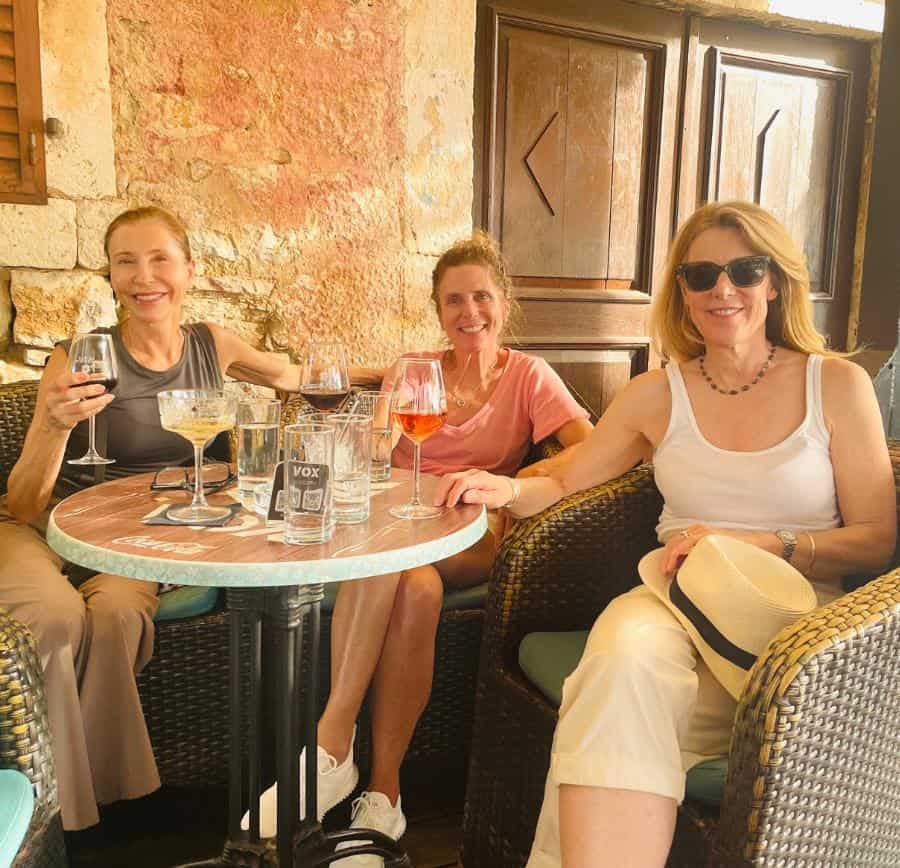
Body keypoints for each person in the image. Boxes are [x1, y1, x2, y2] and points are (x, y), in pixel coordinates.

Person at [435, 201, 896, 868]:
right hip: (672, 600)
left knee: (612, 718)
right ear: (681, 290)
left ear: (775, 280)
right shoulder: (657, 393)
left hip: (795, 625)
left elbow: (878, 539)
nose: (723, 289)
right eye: (701, 274)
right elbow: (566, 481)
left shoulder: (837, 386)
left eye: (744, 269)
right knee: (618, 663)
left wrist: (767, 546)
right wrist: (507, 489)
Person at [0, 205, 379, 834]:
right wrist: (53, 424)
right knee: (55, 616)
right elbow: (22, 503)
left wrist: (385, 374)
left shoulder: (212, 344)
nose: (144, 276)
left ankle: (83, 814)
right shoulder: (78, 356)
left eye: (159, 259)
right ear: (112, 276)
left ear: (189, 269)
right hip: (42, 528)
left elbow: (293, 377)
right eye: (126, 261)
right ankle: (59, 813)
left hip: (135, 538)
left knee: (119, 613)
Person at [249, 231, 593, 861]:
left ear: (504, 302)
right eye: (454, 301)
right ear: (437, 310)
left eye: (482, 298)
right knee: (413, 580)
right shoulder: (414, 372)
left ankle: (330, 747)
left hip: (474, 532)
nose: (470, 313)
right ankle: (383, 798)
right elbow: (378, 451)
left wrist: (510, 483)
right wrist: (366, 441)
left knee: (393, 557)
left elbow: (590, 448)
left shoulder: (528, 377)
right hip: (404, 529)